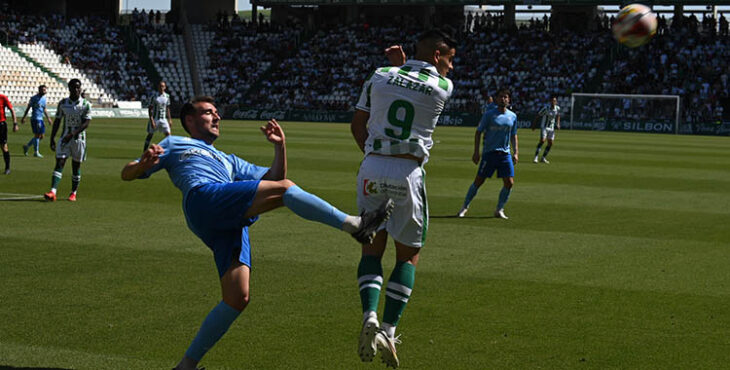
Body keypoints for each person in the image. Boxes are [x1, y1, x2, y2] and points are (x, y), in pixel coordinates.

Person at [121, 96, 393, 370]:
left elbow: (273, 178)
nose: (216, 117)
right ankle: (355, 225)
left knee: (237, 297)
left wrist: (280, 147)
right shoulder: (174, 143)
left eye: (217, 113)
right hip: (203, 198)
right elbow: (126, 174)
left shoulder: (228, 160)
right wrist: (141, 166)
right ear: (189, 120)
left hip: (227, 220)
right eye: (208, 113)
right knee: (286, 190)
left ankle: (185, 366)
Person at [350, 29, 456, 369]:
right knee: (408, 256)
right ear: (438, 56)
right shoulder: (442, 86)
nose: (451, 69)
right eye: (450, 60)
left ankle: (369, 313)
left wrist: (398, 67)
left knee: (371, 247)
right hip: (407, 173)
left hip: (371, 168)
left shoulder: (380, 75)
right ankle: (389, 329)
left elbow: (358, 125)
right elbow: (419, 85)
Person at [457, 88, 519, 219]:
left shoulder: (513, 116)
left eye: (505, 97)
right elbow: (478, 132)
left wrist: (516, 152)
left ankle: (499, 209)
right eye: (501, 97)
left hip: (505, 154)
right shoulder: (489, 114)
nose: (503, 99)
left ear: (509, 99)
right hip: (489, 153)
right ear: (497, 99)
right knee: (478, 181)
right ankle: (464, 207)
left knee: (509, 183)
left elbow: (514, 135)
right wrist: (476, 152)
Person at [43, 79, 92, 202]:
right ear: (69, 89)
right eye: (74, 87)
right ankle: (53, 191)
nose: (76, 90)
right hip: (65, 138)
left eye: (78, 87)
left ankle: (73, 192)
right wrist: (52, 138)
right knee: (60, 162)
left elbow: (86, 123)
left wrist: (73, 133)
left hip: (79, 140)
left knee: (76, 166)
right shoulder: (63, 103)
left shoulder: (86, 104)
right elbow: (58, 121)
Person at [21, 85, 53, 158]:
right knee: (37, 135)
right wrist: (24, 117)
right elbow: (28, 107)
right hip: (35, 118)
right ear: (39, 90)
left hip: (40, 119)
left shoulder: (44, 99)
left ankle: (27, 146)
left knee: (41, 136)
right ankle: (36, 152)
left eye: (45, 90)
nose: (45, 91)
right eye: (43, 90)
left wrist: (48, 118)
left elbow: (44, 109)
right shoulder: (34, 98)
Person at [143, 81, 172, 152]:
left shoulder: (167, 96)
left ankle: (169, 151)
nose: (161, 88)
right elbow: (150, 108)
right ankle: (144, 151)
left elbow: (167, 108)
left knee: (168, 135)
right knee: (150, 134)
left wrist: (170, 119)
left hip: (163, 119)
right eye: (160, 86)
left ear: (165, 87)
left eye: (162, 86)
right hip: (155, 119)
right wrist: (152, 120)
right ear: (158, 87)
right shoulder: (154, 96)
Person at [531, 95, 560, 164]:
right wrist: (534, 125)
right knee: (542, 141)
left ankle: (543, 158)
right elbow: (538, 116)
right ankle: (536, 157)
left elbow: (558, 115)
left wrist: (558, 123)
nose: (553, 102)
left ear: (556, 102)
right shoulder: (546, 108)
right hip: (544, 127)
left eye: (555, 101)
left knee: (550, 143)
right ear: (550, 101)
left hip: (551, 128)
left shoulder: (557, 108)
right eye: (552, 101)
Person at [0, 92, 18, 174]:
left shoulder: (3, 97)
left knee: (4, 147)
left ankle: (7, 168)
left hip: (1, 125)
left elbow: (12, 110)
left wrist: (15, 123)